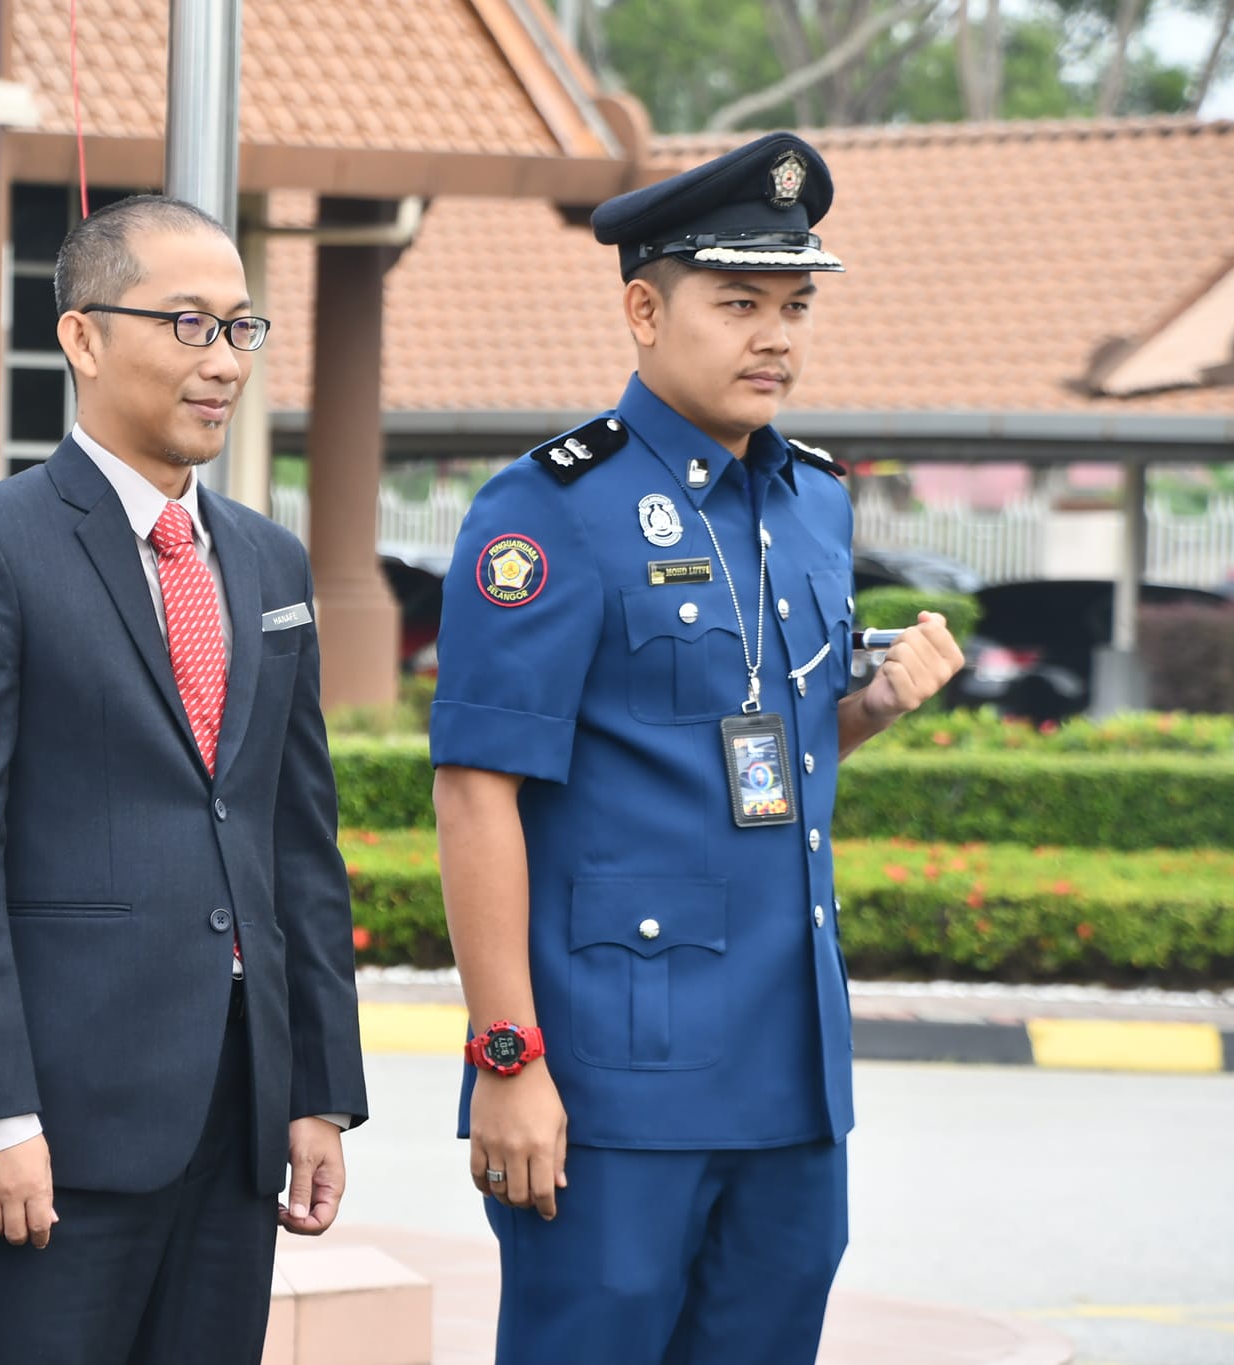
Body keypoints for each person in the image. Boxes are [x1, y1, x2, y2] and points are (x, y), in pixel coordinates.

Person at [429, 131, 964, 1364]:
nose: (773, 335)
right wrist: (506, 1056)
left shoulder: (813, 501)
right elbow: (476, 793)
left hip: (787, 1072)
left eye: (792, 305)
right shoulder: (550, 506)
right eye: (736, 304)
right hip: (613, 1081)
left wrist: (869, 713)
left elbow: (761, 760)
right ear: (641, 310)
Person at [0, 194, 369, 1365]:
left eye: (241, 329)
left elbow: (293, 840)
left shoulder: (265, 558)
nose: (222, 362)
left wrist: (314, 1087)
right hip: (52, 1129)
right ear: (84, 337)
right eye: (188, 325)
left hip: (235, 1117)